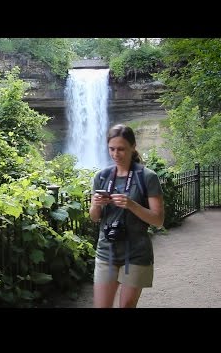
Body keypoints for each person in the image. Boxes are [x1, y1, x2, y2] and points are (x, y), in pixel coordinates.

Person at [89, 124, 164, 308]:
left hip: (136, 253)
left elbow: (158, 220)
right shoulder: (101, 176)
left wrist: (131, 204)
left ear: (133, 147)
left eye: (121, 149)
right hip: (107, 251)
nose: (115, 154)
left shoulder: (147, 177)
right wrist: (97, 205)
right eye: (111, 149)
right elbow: (94, 217)